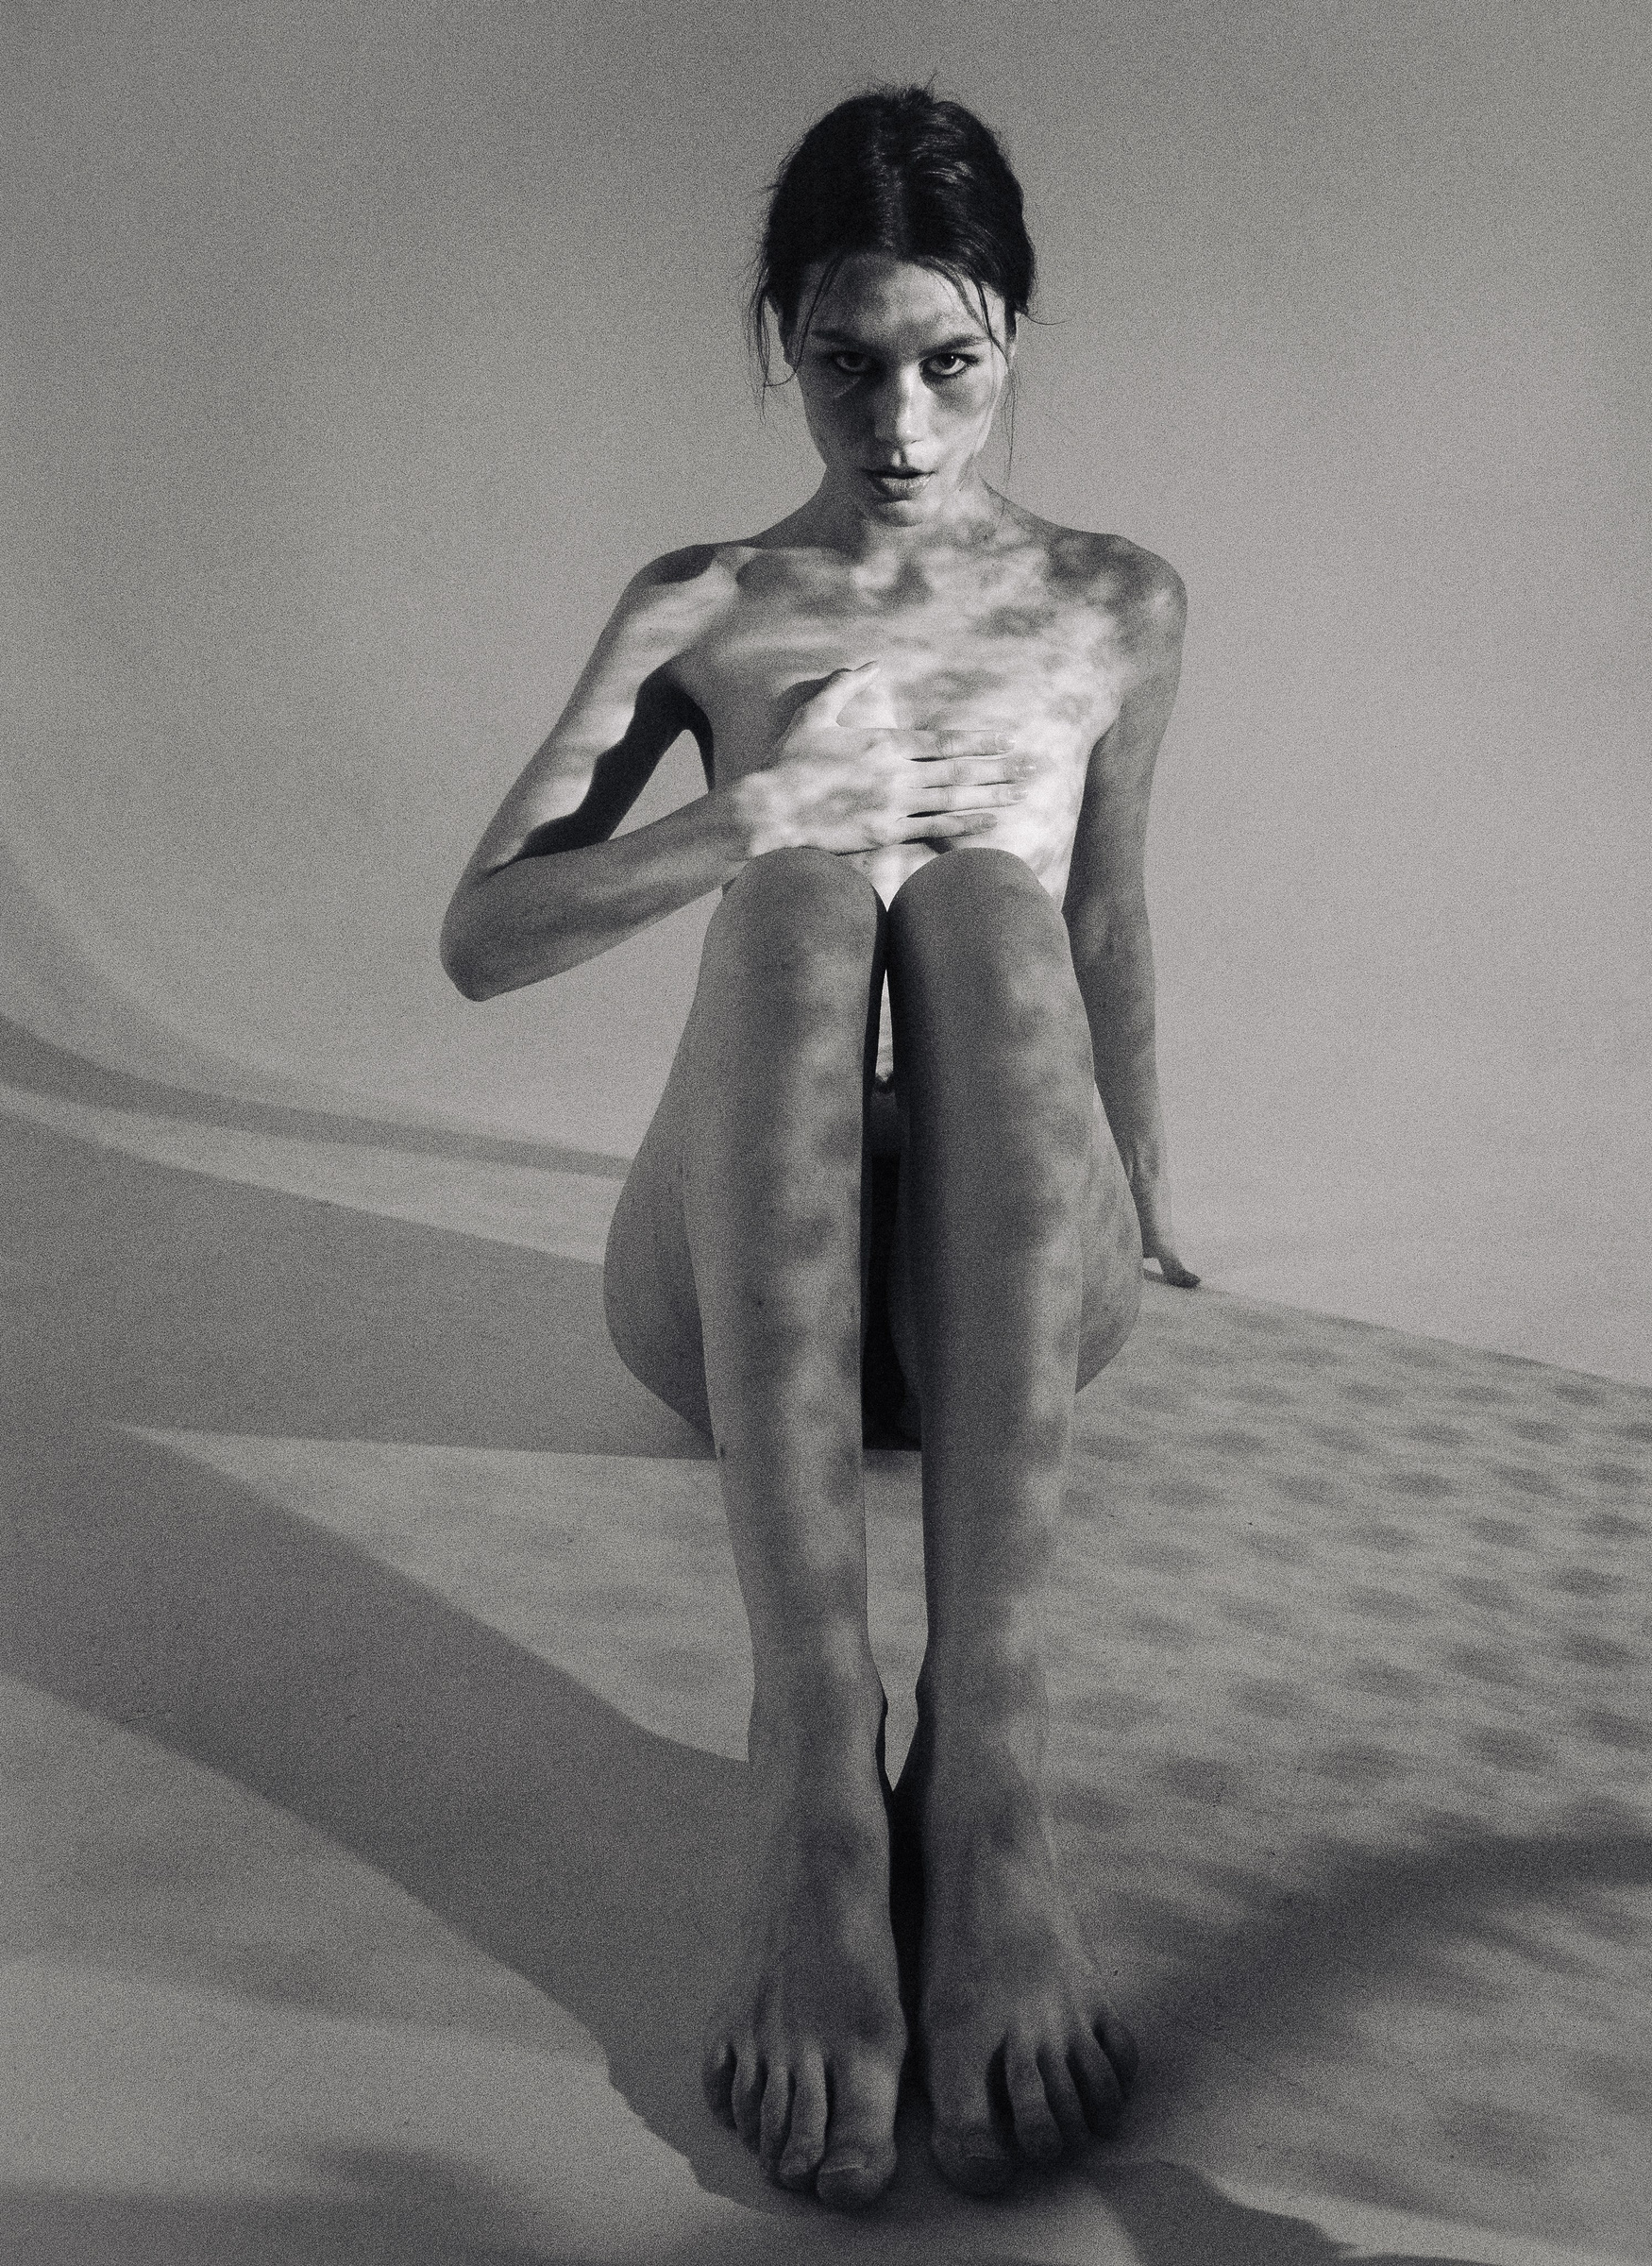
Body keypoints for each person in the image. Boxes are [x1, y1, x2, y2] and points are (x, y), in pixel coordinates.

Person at [440, 85, 1197, 2211]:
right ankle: (812, 1768)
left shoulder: (1113, 602)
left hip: (1017, 1304)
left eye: (949, 361)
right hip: (737, 1305)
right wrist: (757, 815)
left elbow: (1108, 915)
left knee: (987, 908)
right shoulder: (708, 604)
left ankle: (994, 1760)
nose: (902, 421)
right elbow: (482, 939)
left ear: (1012, 332)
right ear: (787, 338)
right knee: (794, 906)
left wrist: (1149, 1192)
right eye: (850, 362)